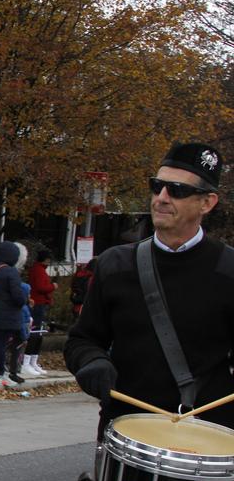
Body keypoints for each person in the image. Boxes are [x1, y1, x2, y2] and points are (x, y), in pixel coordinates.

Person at [65, 143, 234, 437]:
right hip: (128, 432)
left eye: (177, 190)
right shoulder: (115, 265)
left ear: (206, 203)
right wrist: (91, 361)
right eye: (157, 186)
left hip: (208, 438)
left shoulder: (229, 269)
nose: (161, 198)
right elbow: (82, 340)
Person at [0, 241, 27, 387]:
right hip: (6, 313)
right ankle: (1, 373)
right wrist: (24, 300)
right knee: (1, 343)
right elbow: (18, 296)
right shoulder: (11, 272)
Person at [24, 248, 57, 375]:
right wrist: (52, 286)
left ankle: (33, 360)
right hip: (38, 304)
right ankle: (27, 361)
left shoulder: (40, 270)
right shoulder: (38, 270)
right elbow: (40, 287)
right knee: (35, 331)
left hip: (42, 304)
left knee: (40, 333)